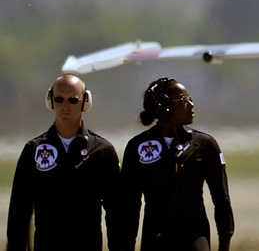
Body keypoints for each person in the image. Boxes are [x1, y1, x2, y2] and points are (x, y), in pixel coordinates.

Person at [5, 73, 120, 251]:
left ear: (85, 102)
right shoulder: (33, 151)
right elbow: (19, 213)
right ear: (50, 102)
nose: (65, 106)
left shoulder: (102, 152)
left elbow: (117, 213)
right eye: (59, 99)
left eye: (72, 100)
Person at [120, 77, 234, 251]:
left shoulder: (204, 144)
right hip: (155, 237)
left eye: (191, 99)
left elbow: (222, 198)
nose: (191, 104)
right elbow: (130, 204)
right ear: (163, 106)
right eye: (183, 100)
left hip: (194, 235)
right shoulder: (138, 146)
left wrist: (224, 241)